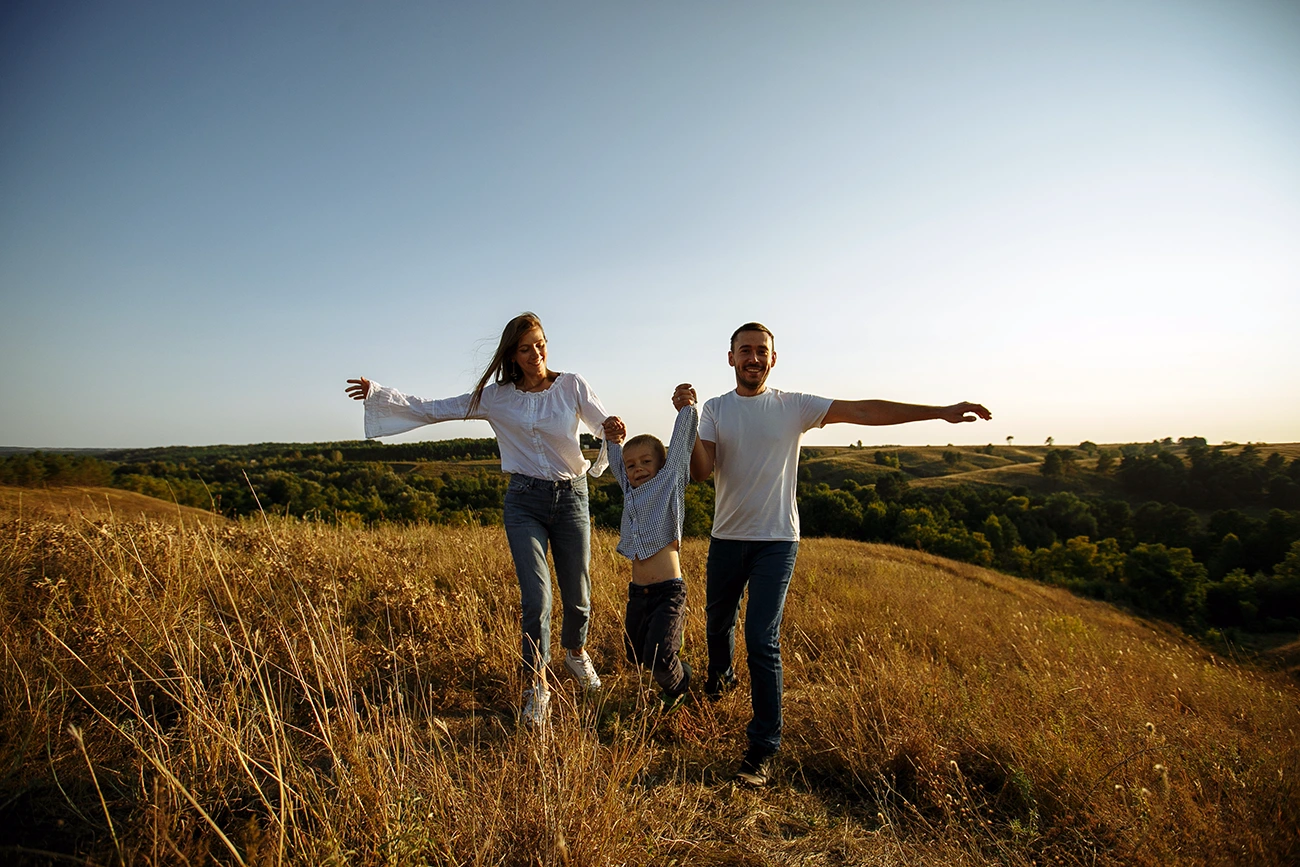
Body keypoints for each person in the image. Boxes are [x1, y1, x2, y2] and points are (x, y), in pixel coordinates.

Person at [686, 322, 991, 786]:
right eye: (744, 351)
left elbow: (865, 410)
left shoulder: (794, 406)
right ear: (730, 358)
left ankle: (762, 747)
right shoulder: (714, 409)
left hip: (777, 540)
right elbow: (702, 473)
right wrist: (688, 421)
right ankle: (720, 679)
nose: (753, 358)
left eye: (761, 351)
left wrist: (940, 412)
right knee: (717, 622)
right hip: (727, 537)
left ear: (773, 358)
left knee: (761, 638)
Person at [345, 312, 621, 727]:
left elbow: (604, 426)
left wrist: (613, 428)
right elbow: (435, 410)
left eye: (541, 343)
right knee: (537, 599)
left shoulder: (571, 385)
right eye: (526, 347)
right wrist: (381, 394)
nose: (536, 353)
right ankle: (536, 686)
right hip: (524, 501)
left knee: (578, 593)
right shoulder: (496, 397)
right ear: (512, 353)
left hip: (571, 498)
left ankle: (575, 652)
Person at [603, 386, 699, 712]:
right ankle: (672, 660)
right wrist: (613, 439)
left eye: (646, 461)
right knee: (636, 654)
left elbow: (681, 447)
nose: (637, 468)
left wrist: (686, 408)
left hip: (667, 591)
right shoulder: (630, 491)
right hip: (638, 593)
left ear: (660, 465)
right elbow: (616, 461)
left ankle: (680, 684)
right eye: (631, 465)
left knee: (659, 655)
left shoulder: (668, 482)